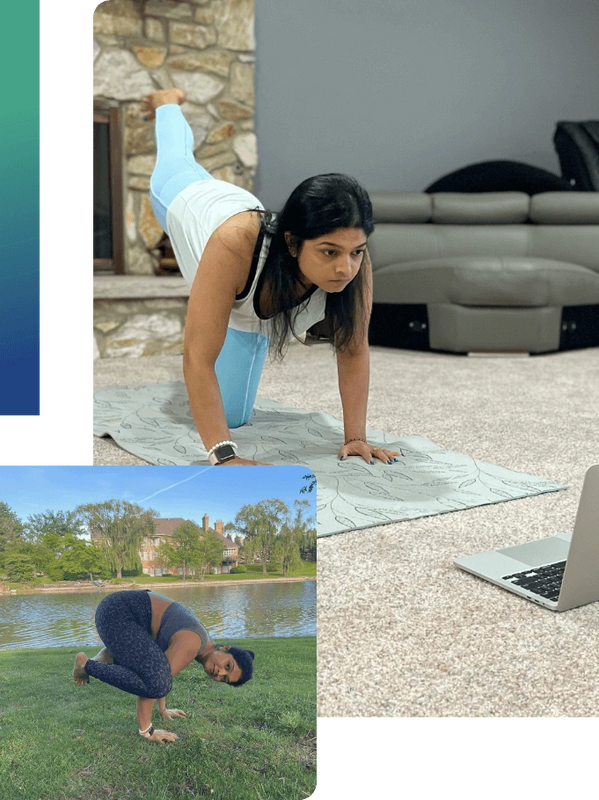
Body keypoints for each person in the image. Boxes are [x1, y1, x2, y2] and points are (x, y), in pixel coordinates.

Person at [142, 89, 402, 467]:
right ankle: (167, 103)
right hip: (184, 199)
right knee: (177, 160)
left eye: (356, 252)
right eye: (329, 252)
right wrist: (225, 456)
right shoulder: (234, 245)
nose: (346, 268)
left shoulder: (354, 263)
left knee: (231, 416)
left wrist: (356, 437)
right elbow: (197, 357)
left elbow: (353, 348)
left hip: (242, 243)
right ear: (294, 243)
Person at [72, 589, 255, 744]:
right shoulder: (194, 641)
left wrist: (162, 709)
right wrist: (148, 731)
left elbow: (164, 668)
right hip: (116, 613)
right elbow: (156, 682)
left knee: (159, 675)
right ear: (224, 648)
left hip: (122, 616)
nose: (219, 672)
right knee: (155, 683)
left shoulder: (200, 644)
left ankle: (107, 656)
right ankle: (87, 665)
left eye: (224, 678)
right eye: (227, 665)